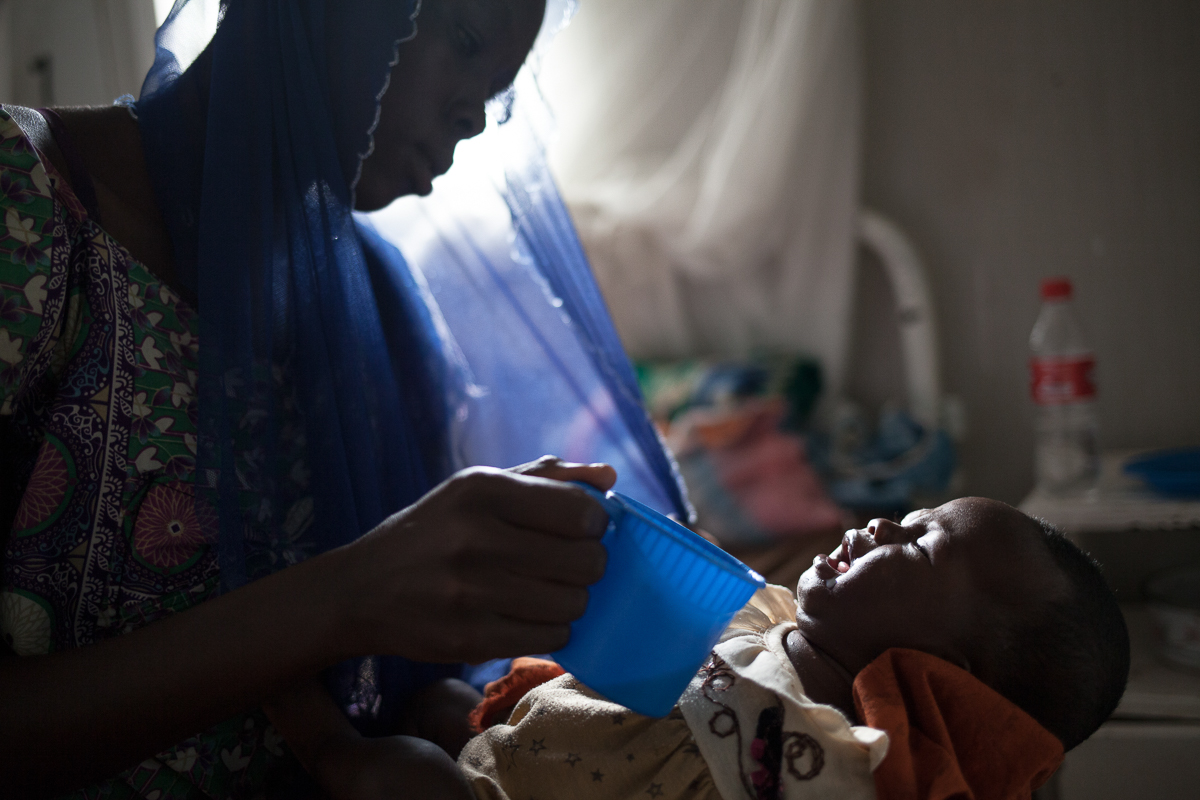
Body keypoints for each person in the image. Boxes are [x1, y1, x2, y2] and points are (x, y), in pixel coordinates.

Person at [0, 0, 669, 796]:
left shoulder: (377, 301)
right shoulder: (29, 207)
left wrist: (478, 725)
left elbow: (388, 686)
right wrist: (350, 595)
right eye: (462, 41)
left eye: (495, 98)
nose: (472, 118)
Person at [458, 498, 1130, 800]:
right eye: (912, 515)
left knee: (395, 773)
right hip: (544, 732)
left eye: (921, 546)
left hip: (513, 790)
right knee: (444, 700)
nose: (884, 524)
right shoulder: (777, 612)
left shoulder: (826, 769)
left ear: (938, 678)